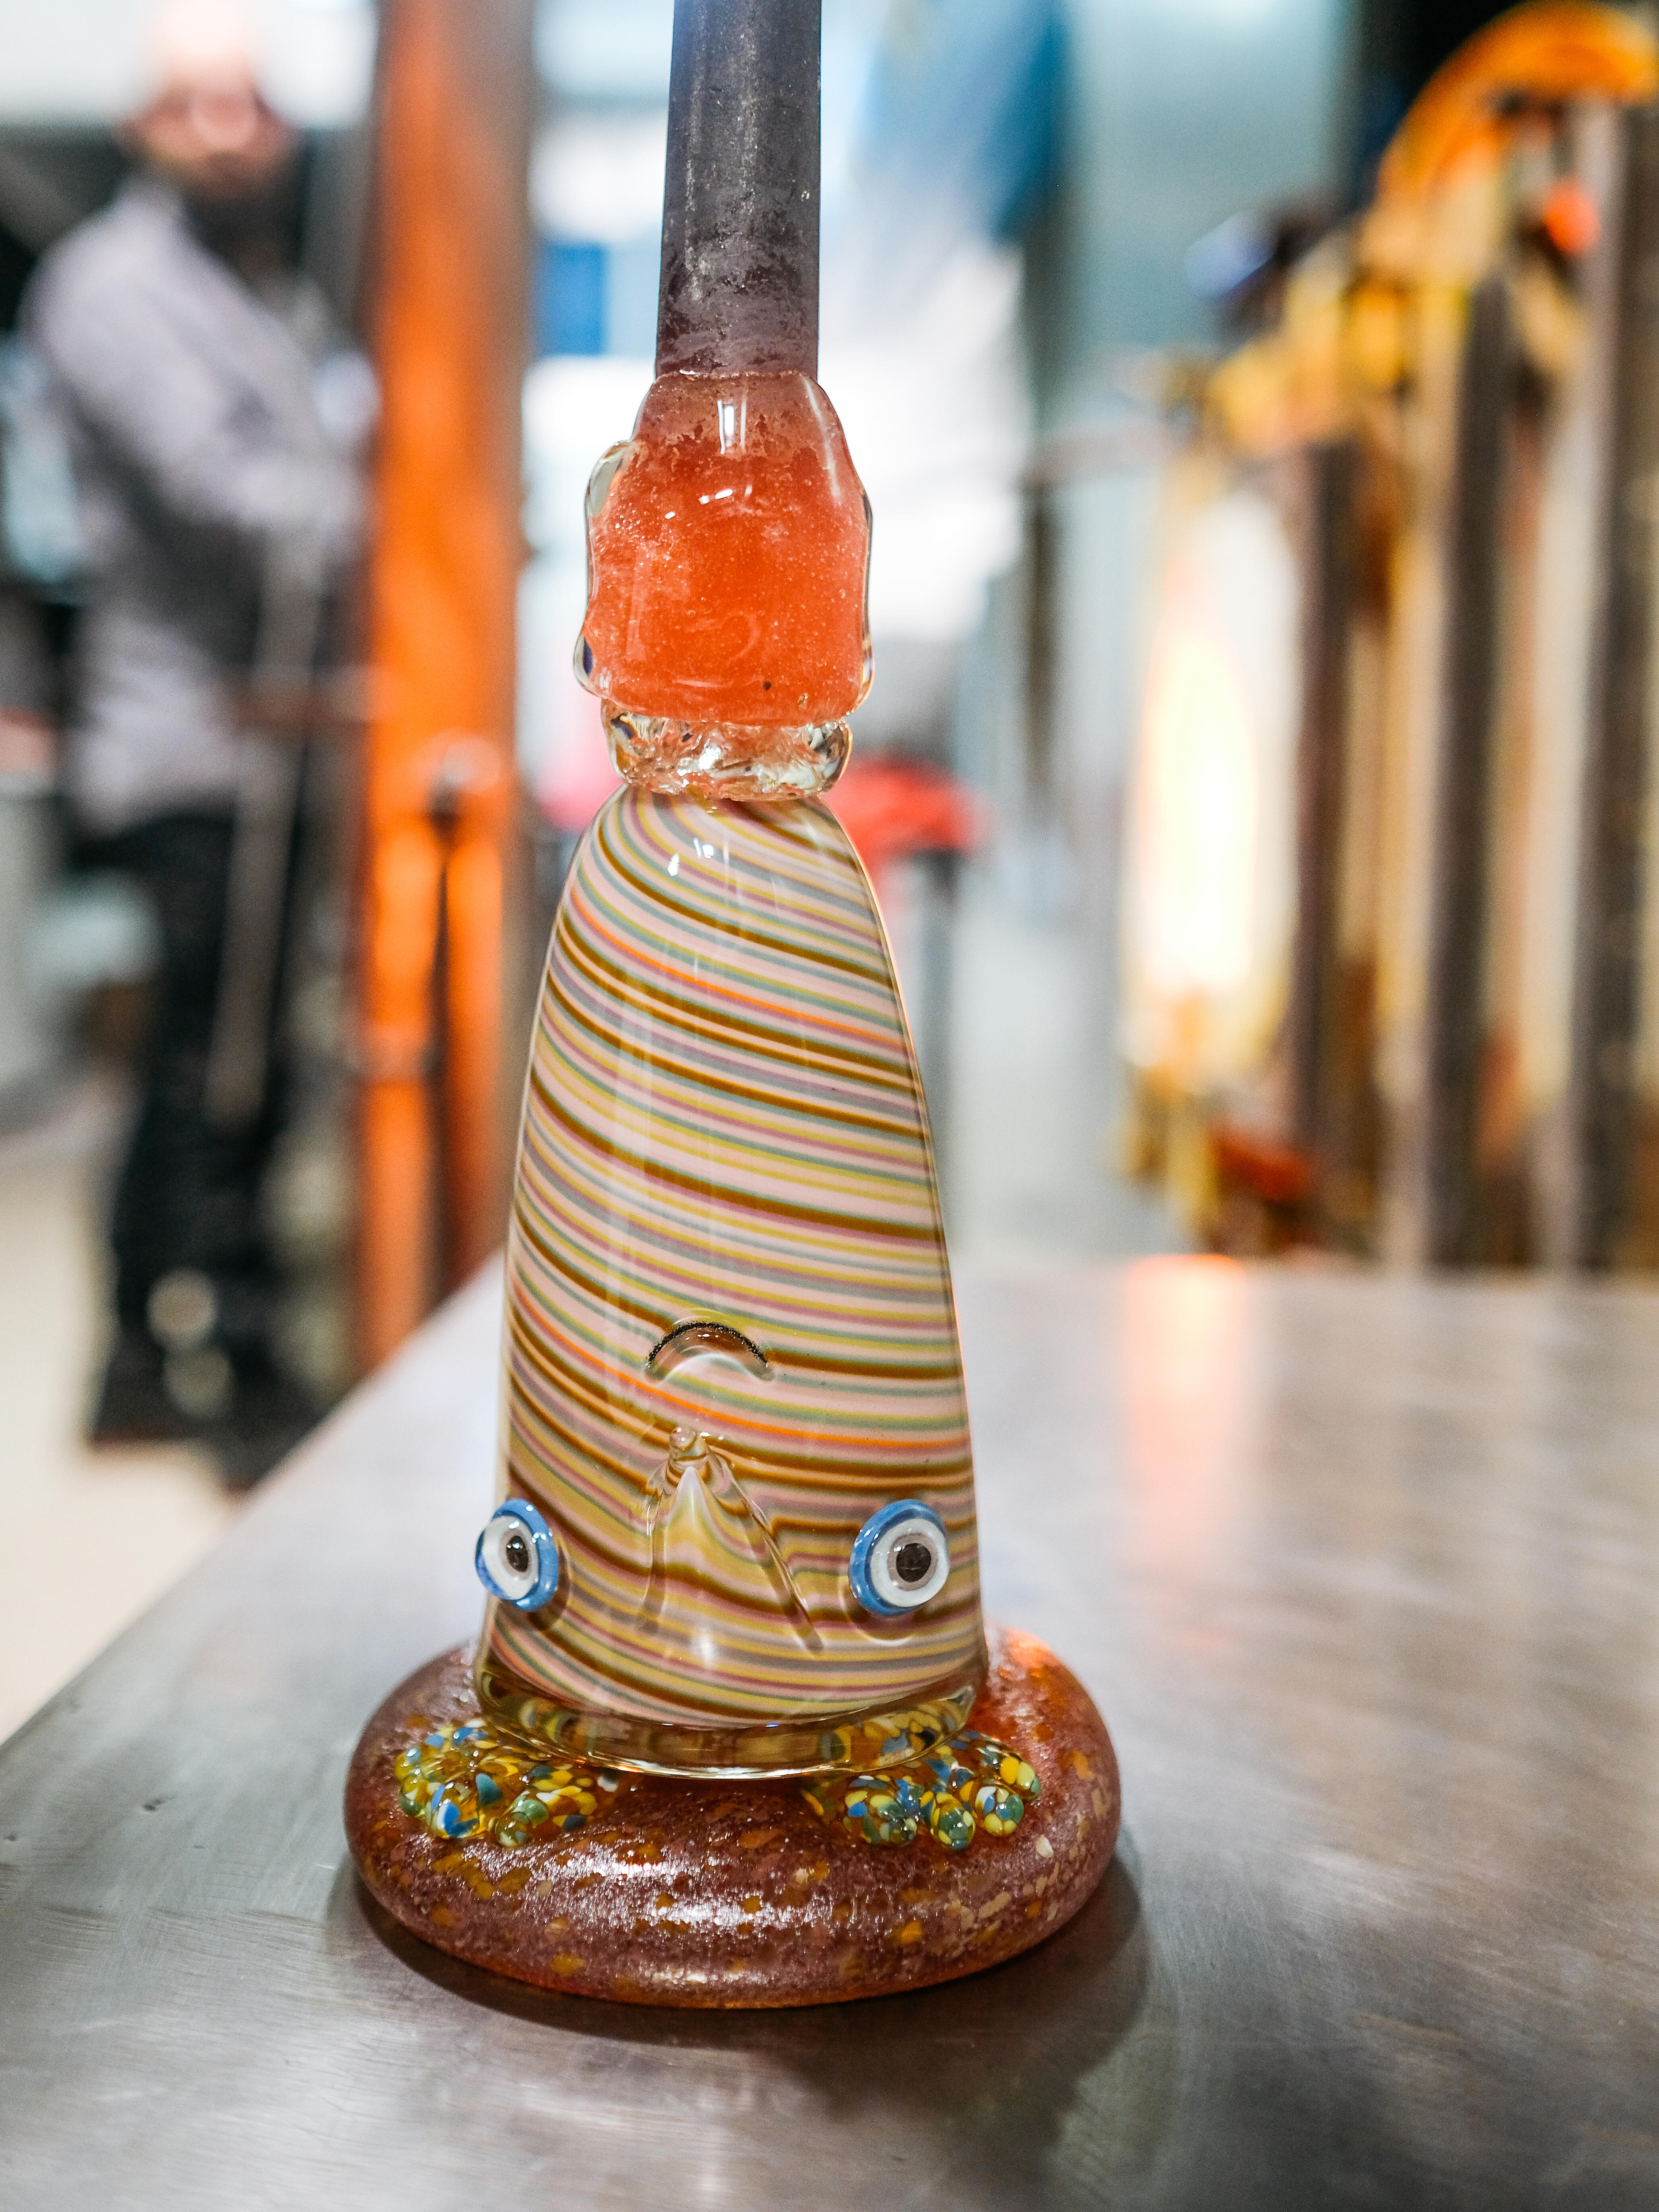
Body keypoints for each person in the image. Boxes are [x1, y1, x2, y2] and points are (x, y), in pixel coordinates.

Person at [26, 0, 364, 1482]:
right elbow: (238, 499)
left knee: (237, 1066)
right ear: (142, 126)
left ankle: (146, 1360)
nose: (234, 135)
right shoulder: (109, 290)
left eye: (255, 106)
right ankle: (212, 1352)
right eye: (199, 106)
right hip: (187, 753)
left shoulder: (268, 291)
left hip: (268, 751)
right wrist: (396, 511)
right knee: (207, 1068)